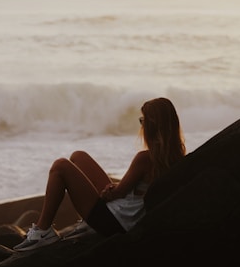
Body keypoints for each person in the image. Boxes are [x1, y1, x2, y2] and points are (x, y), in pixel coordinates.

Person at [14, 97, 186, 251]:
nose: (141, 125)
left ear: (152, 126)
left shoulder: (145, 159)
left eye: (143, 121)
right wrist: (115, 190)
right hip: (125, 216)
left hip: (113, 221)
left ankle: (43, 232)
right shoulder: (179, 159)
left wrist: (110, 192)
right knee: (78, 156)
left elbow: (119, 193)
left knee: (60, 166)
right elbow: (134, 191)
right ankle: (74, 227)